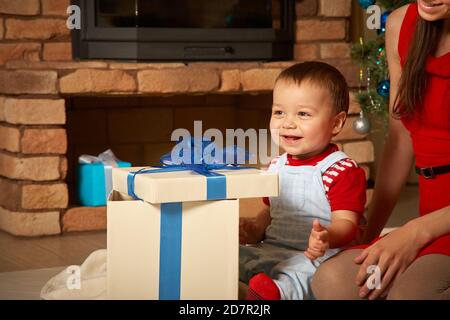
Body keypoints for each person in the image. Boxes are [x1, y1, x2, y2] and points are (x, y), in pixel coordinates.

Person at [311, 1, 450, 300]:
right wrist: (370, 234)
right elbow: (400, 138)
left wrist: (414, 233)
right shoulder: (401, 23)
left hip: (434, 225)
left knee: (410, 293)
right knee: (334, 280)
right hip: (429, 217)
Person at [239, 61, 367, 300]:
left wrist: (327, 236)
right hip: (273, 249)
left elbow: (347, 223)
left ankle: (272, 294)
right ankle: (247, 286)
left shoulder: (341, 170)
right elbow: (271, 210)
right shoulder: (277, 165)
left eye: (303, 114)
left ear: (336, 123)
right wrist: (256, 228)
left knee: (300, 276)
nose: (287, 122)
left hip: (317, 256)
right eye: (279, 112)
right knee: (231, 258)